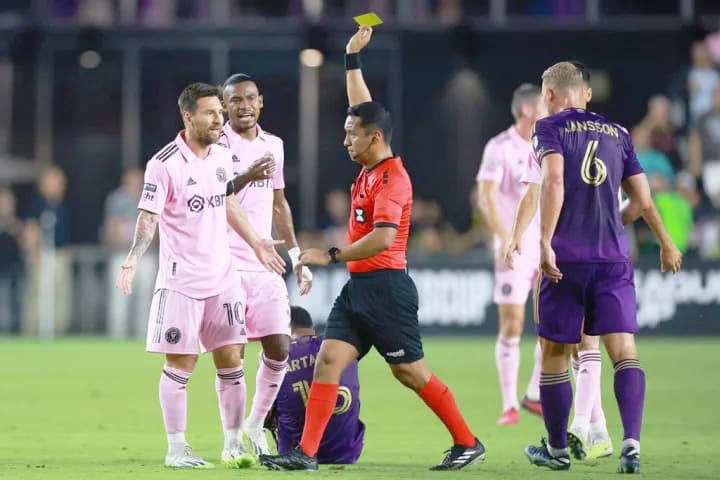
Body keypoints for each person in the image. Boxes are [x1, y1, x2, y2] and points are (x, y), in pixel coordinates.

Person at [259, 26, 485, 472]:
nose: (346, 140)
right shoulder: (369, 160)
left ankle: (468, 441)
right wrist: (351, 59)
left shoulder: (392, 180)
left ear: (374, 138)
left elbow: (383, 239)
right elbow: (360, 109)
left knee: (410, 373)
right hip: (360, 290)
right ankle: (305, 455)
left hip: (387, 290)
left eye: (351, 135)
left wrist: (331, 254)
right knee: (328, 359)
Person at [519, 61, 682, 473]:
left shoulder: (548, 127)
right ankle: (630, 447)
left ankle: (557, 450)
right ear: (586, 93)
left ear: (551, 95)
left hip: (567, 259)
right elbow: (643, 201)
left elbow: (553, 181)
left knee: (556, 352)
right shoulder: (620, 134)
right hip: (612, 259)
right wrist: (660, 241)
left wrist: (544, 241)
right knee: (624, 352)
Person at [114, 82, 286, 469]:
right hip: (181, 284)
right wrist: (132, 259)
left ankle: (232, 444)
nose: (219, 119)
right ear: (188, 117)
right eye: (211, 113)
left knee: (231, 363)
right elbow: (148, 217)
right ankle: (177, 448)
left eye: (219, 113)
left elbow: (226, 201)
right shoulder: (165, 163)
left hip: (223, 280)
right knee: (181, 366)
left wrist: (256, 241)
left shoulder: (222, 153)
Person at [505, 64, 614, 461]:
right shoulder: (607, 132)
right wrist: (517, 234)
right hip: (603, 247)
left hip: (566, 248)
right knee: (580, 345)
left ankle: (581, 430)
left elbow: (546, 186)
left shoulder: (549, 132)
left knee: (571, 343)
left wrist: (536, 239)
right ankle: (596, 429)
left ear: (549, 96)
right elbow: (535, 190)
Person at [219, 72, 313, 458]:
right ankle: (231, 441)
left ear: (261, 102)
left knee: (279, 348)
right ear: (224, 107)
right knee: (232, 355)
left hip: (265, 260)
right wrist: (246, 176)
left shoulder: (274, 144)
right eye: (236, 100)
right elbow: (213, 194)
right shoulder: (217, 143)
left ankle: (256, 424)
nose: (244, 105)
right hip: (224, 264)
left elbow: (279, 203)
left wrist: (295, 256)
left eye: (250, 98)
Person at [476, 83, 546, 426]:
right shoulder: (499, 147)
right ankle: (508, 404)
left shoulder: (549, 145)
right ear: (528, 111)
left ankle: (533, 393)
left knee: (551, 322)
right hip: (513, 248)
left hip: (547, 245)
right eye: (543, 106)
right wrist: (504, 236)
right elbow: (486, 196)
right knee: (513, 323)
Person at [266, 306, 365, 464]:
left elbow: (266, 414)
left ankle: (302, 449)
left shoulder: (277, 356)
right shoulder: (342, 348)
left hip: (292, 451)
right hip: (346, 453)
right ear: (312, 329)